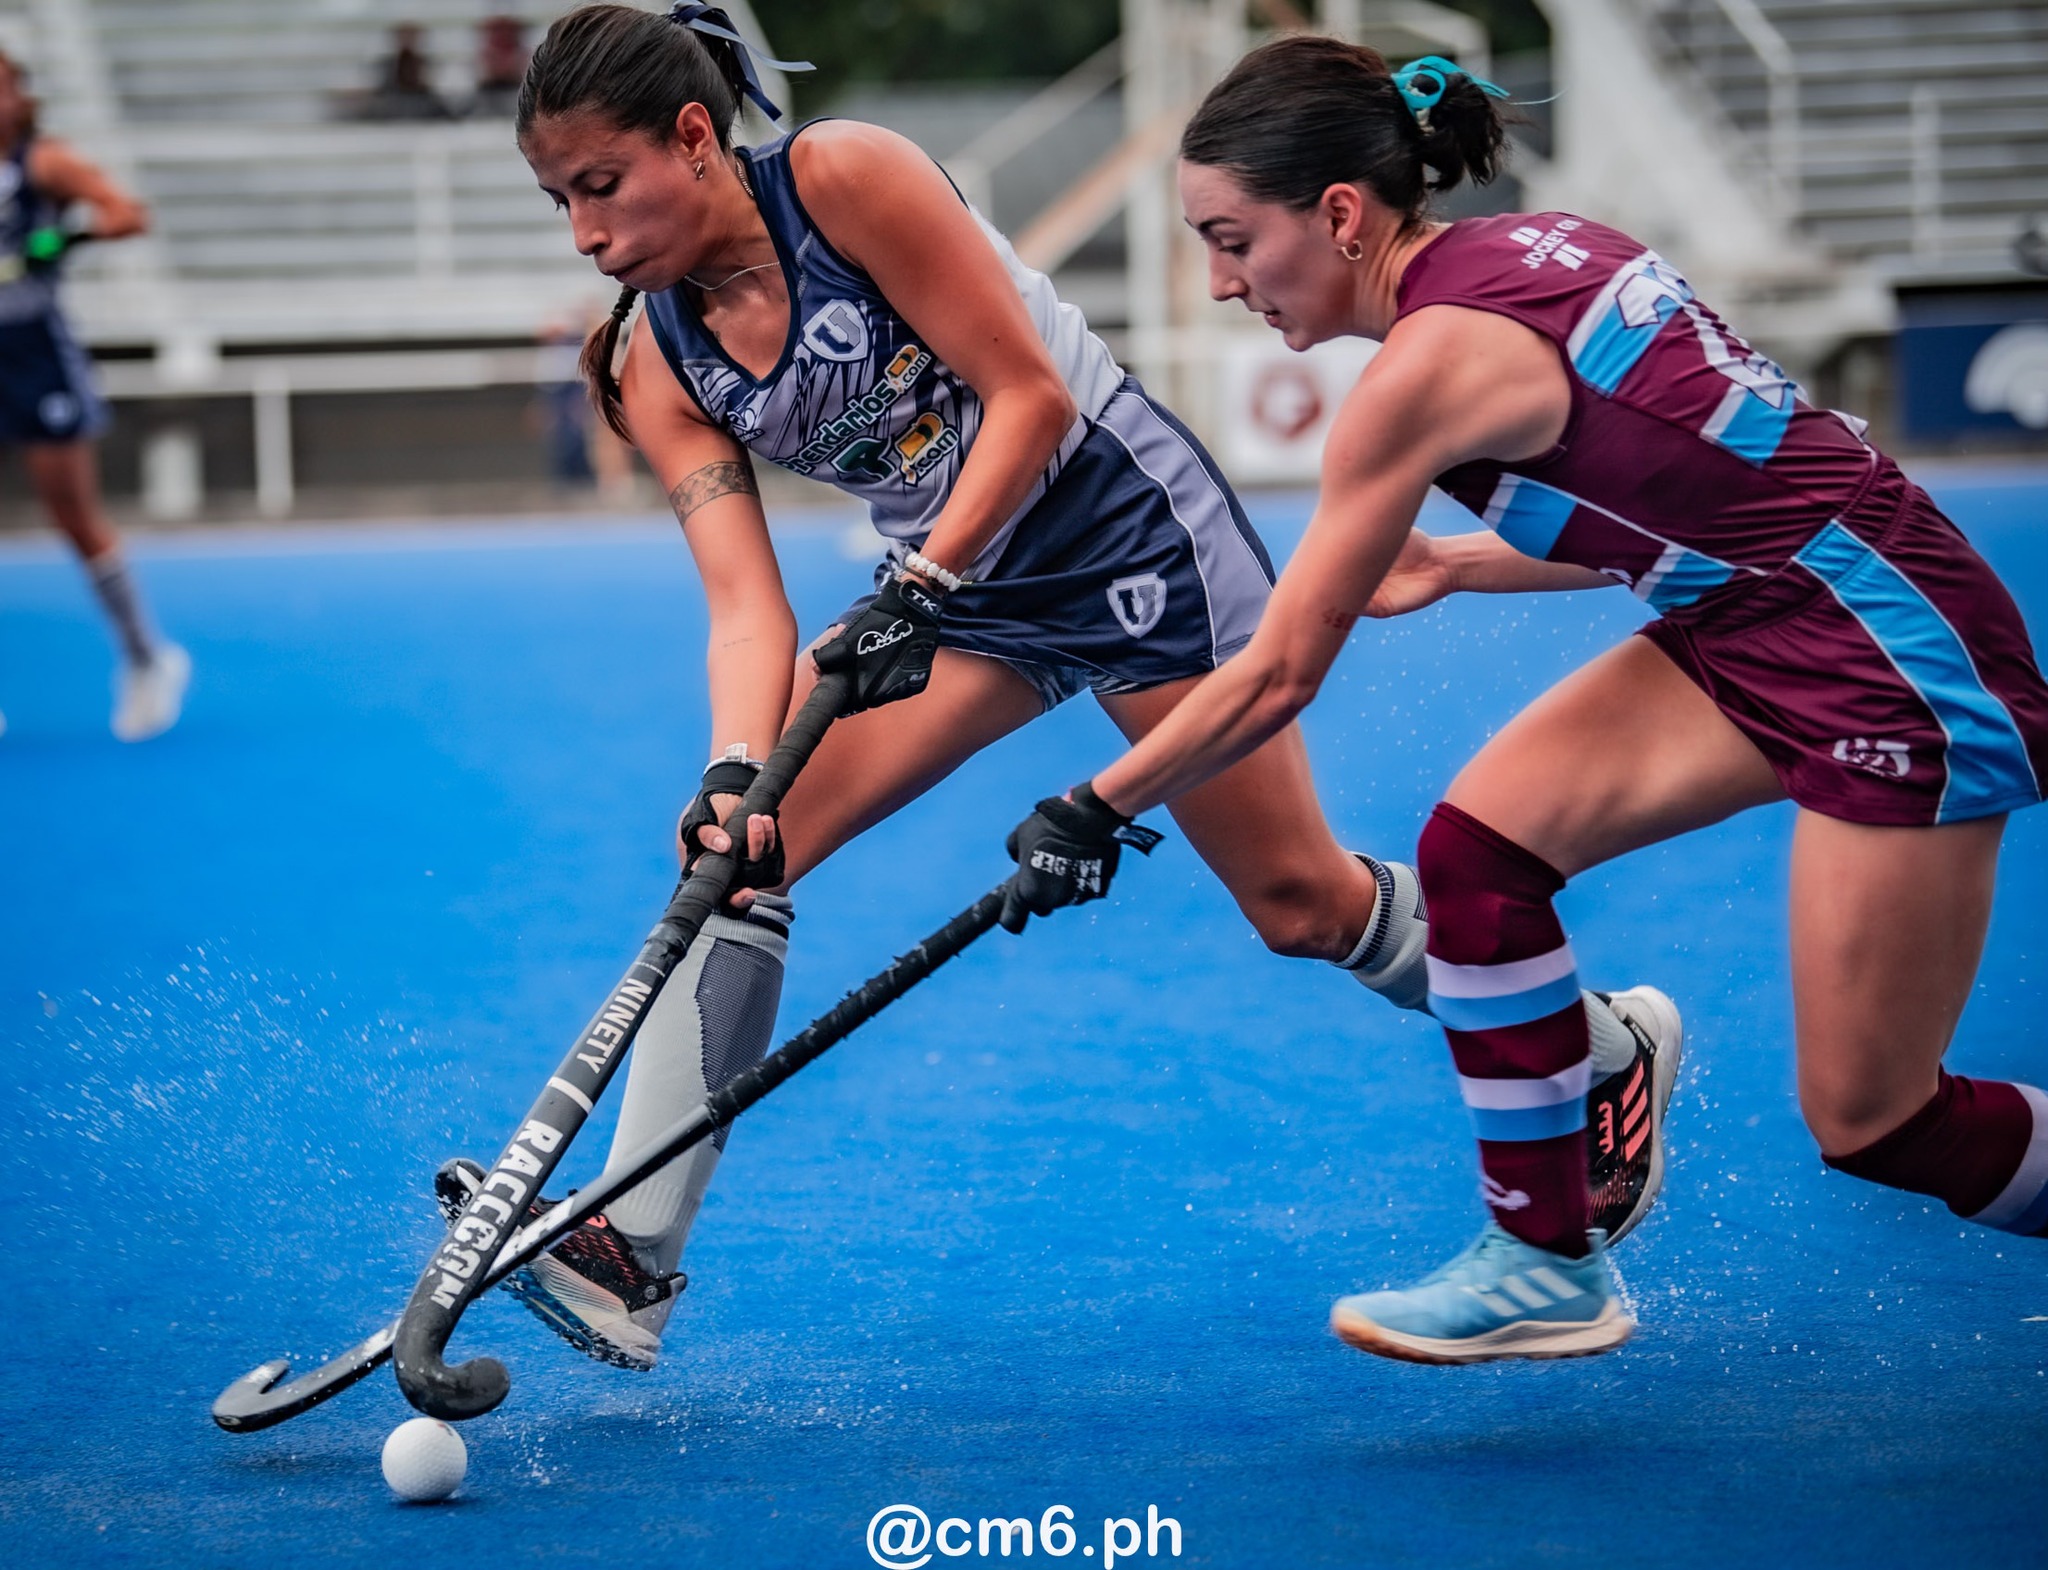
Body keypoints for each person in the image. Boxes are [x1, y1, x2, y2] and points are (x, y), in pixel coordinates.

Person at [484, 4, 1674, 1373]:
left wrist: (919, 581)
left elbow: (1031, 396)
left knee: (1300, 906)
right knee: (737, 852)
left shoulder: (844, 178)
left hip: (1128, 539)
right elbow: (745, 606)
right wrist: (733, 767)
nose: (585, 233)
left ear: (694, 136)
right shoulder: (651, 360)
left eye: (602, 185)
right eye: (559, 202)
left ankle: (1602, 1049)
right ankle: (631, 1249)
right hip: (961, 596)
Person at [1001, 37, 2048, 1366]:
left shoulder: (1419, 374)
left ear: (1340, 214)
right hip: (1765, 612)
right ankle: (1545, 1261)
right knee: (1478, 855)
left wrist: (1094, 804)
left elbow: (1275, 673)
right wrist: (1454, 564)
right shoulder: (1543, 246)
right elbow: (1695, 496)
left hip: (1886, 653)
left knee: (1876, 1118)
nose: (1219, 283)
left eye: (1232, 241)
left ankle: (1551, 1245)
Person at [0, 50, 187, 742]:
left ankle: (146, 660)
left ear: (20, 97)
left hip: (36, 359)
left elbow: (129, 214)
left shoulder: (44, 164)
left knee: (74, 519)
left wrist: (66, 235)